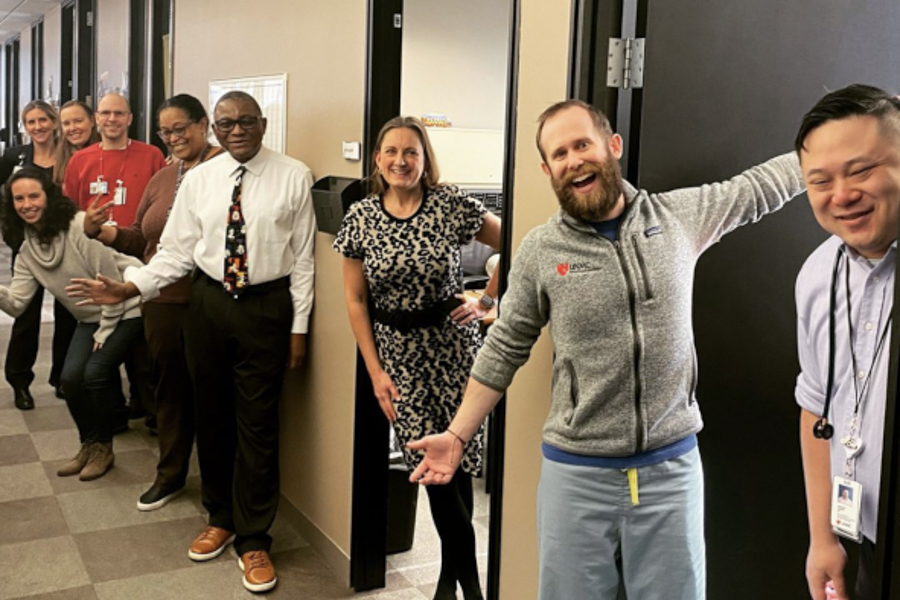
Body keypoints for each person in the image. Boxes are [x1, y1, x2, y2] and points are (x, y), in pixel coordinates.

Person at [408, 99, 806, 599]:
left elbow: (755, 190)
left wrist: (834, 146)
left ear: (611, 147)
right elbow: (504, 347)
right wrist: (458, 435)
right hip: (578, 476)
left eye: (582, 144)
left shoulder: (677, 217)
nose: (573, 159)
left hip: (670, 470)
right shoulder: (540, 250)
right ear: (547, 169)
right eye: (559, 153)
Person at [67, 91, 316, 593]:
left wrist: (299, 327)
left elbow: (305, 259)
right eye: (227, 123)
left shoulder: (294, 175)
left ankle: (254, 540)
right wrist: (130, 287)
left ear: (263, 124)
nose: (237, 129)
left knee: (260, 425)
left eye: (247, 120)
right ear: (216, 129)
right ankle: (220, 518)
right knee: (213, 416)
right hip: (208, 304)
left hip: (267, 306)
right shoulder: (199, 180)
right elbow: (176, 252)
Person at [334, 116, 501, 600]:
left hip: (452, 348)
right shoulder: (360, 217)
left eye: (411, 151)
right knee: (429, 464)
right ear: (377, 159)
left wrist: (486, 301)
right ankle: (465, 579)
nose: (400, 160)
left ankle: (456, 582)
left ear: (425, 159)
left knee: (458, 460)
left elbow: (514, 243)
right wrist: (375, 371)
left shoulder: (449, 204)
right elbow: (356, 301)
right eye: (391, 151)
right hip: (397, 356)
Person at [81, 94, 224, 512]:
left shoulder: (224, 172)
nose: (175, 137)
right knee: (170, 392)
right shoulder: (164, 176)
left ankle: (221, 489)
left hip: (209, 299)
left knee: (214, 393)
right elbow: (142, 238)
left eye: (182, 128)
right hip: (162, 300)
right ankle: (171, 475)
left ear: (203, 125)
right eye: (167, 131)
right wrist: (101, 231)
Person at [794, 84, 900, 600]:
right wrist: (822, 537)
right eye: (821, 181)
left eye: (861, 171)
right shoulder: (818, 273)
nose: (842, 195)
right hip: (870, 544)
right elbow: (816, 407)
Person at [0, 167, 142, 479]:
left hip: (129, 307)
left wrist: (105, 330)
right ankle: (89, 445)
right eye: (18, 199)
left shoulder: (78, 226)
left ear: (49, 197)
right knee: (69, 379)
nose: (27, 204)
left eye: (34, 196)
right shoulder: (27, 249)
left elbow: (112, 282)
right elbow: (17, 304)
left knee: (94, 373)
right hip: (90, 318)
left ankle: (104, 448)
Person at [63, 92, 164, 425]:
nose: (111, 120)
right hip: (95, 254)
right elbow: (70, 211)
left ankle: (146, 403)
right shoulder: (80, 160)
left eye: (118, 113)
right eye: (105, 114)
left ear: (130, 118)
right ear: (96, 119)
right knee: (104, 327)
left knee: (140, 331)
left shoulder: (151, 155)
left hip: (138, 251)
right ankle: (113, 409)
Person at [0, 100, 77, 410]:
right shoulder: (11, 157)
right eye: (31, 122)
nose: (38, 127)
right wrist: (13, 238)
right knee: (26, 316)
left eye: (43, 120)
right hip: (27, 248)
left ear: (54, 121)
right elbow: (5, 201)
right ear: (24, 126)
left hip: (64, 247)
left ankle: (61, 378)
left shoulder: (70, 153)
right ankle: (20, 382)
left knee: (67, 314)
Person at [54, 100, 101, 188]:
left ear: (92, 121)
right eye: (66, 123)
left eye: (78, 121)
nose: (72, 128)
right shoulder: (59, 155)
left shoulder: (106, 150)